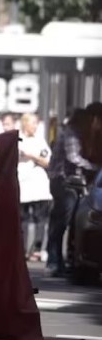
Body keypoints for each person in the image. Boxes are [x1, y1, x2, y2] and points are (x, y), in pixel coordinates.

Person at [46, 108, 99, 277]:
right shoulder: (72, 133)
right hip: (63, 181)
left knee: (66, 221)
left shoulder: (78, 133)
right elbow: (73, 157)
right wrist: (94, 167)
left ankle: (61, 262)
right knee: (61, 221)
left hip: (70, 183)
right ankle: (54, 261)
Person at [18, 113, 52, 262]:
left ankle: (37, 249)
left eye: (36, 123)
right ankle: (23, 249)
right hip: (21, 184)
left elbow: (47, 161)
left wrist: (31, 156)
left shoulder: (40, 141)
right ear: (25, 123)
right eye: (33, 123)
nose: (35, 126)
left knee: (40, 218)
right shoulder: (17, 139)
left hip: (39, 185)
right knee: (22, 218)